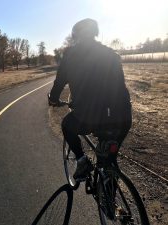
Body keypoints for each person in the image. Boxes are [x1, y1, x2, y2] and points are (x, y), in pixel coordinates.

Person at [48, 18, 132, 181]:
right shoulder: (111, 54)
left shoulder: (71, 55)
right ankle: (108, 201)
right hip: (122, 116)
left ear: (75, 36)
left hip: (91, 116)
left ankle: (82, 161)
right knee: (108, 160)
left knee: (67, 125)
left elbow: (58, 84)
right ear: (95, 33)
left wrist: (53, 99)